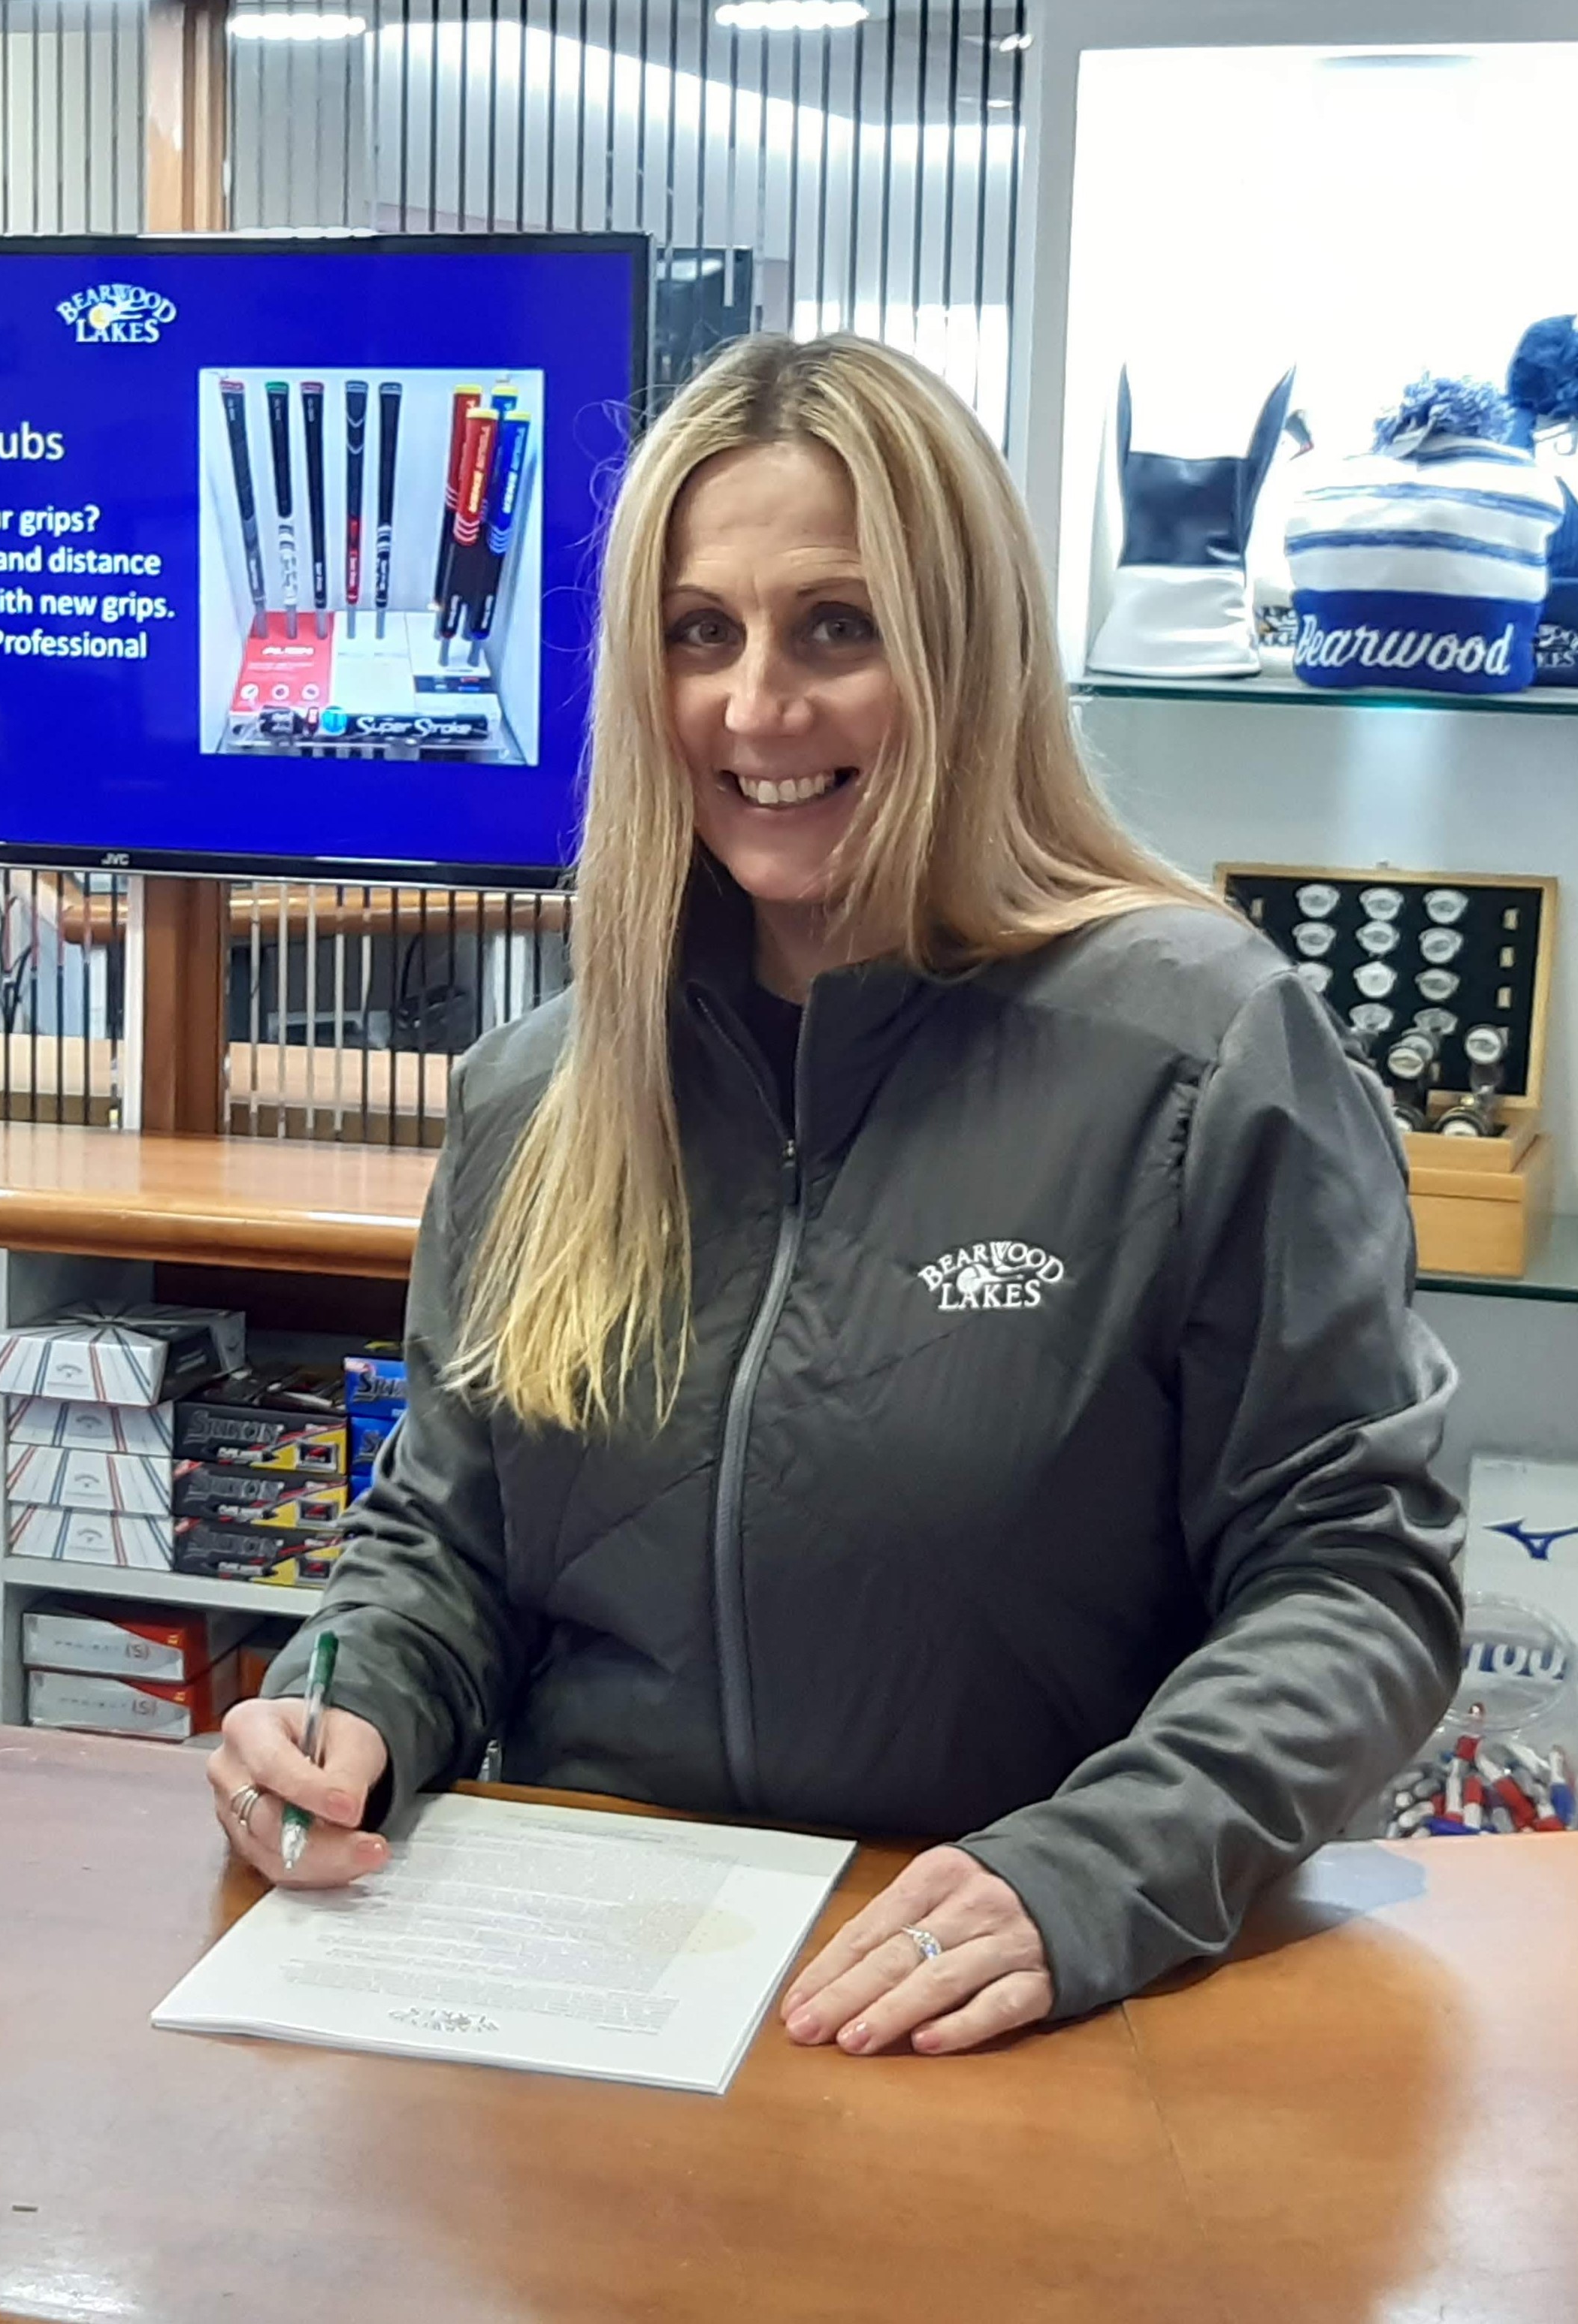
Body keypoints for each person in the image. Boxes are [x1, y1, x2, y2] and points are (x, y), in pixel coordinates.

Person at [207, 333, 1461, 2057]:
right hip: (579, 1994)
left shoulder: (1199, 1053)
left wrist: (1090, 1871)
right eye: (697, 632)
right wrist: (340, 1700)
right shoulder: (539, 1096)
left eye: (833, 628)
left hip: (1008, 2009)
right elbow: (443, 1545)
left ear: (962, 649)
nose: (755, 707)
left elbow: (1354, 1576)